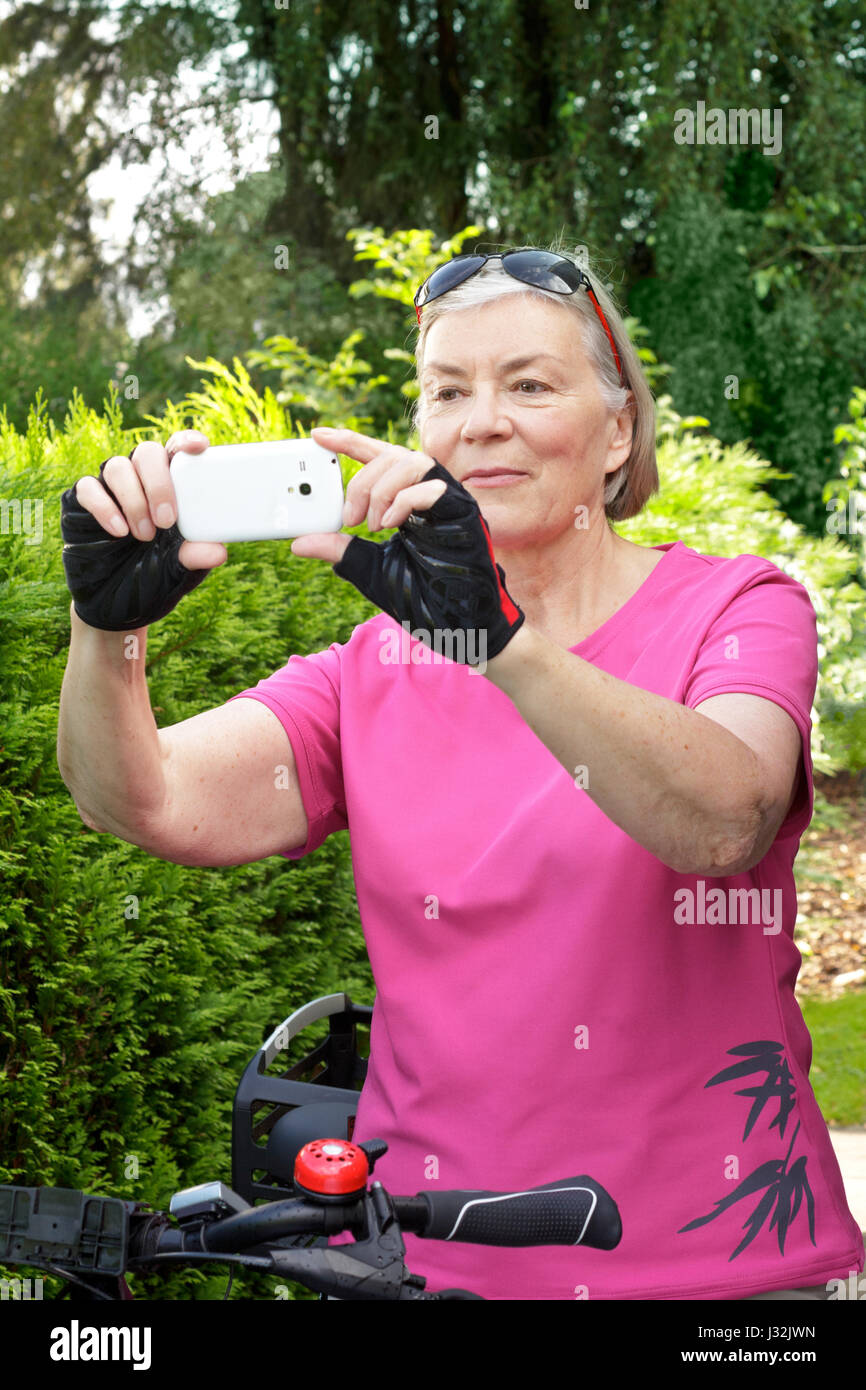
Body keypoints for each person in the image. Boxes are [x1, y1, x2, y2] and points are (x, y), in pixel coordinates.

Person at [58, 245, 864, 1301]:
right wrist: (103, 633)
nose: (479, 420)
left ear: (617, 430)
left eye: (528, 384)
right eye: (446, 391)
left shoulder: (737, 604)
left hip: (719, 1272)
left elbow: (722, 820)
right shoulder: (369, 666)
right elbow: (143, 798)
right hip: (420, 1269)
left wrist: (500, 646)